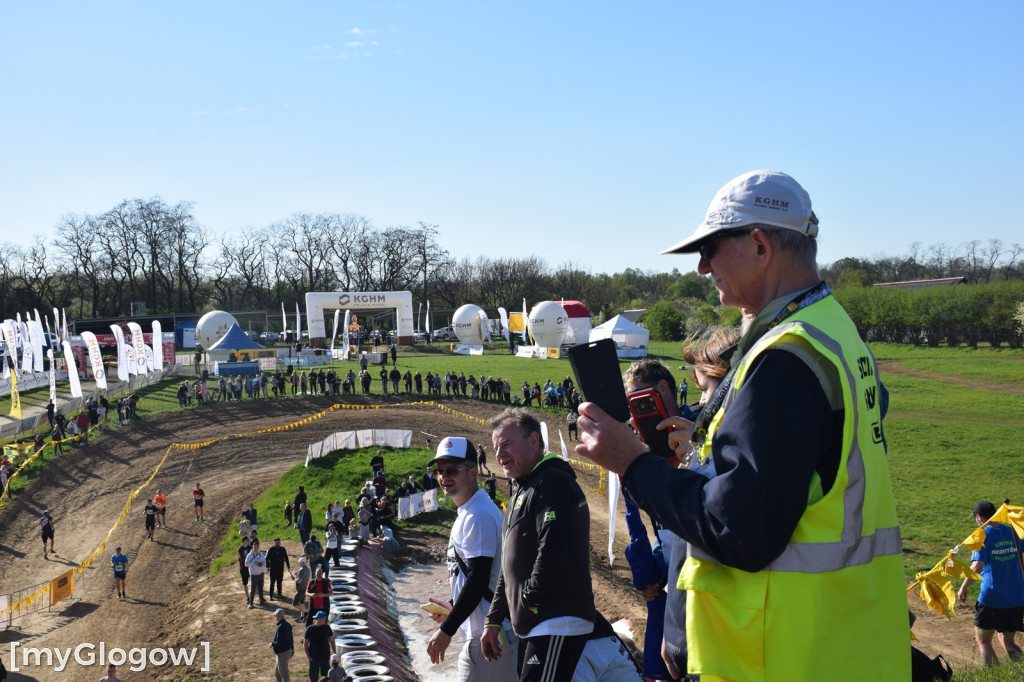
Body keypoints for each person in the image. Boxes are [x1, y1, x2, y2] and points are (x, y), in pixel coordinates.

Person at [576, 170, 910, 680]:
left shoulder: (787, 359)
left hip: (779, 656)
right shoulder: (833, 331)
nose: (703, 266)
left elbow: (738, 529)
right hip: (840, 643)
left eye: (710, 248)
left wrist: (631, 462)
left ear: (759, 245)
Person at [482, 408, 639, 681]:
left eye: (506, 444)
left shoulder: (551, 481)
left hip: (553, 622)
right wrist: (494, 619)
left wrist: (531, 598)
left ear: (533, 441)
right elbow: (510, 566)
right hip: (546, 625)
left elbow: (553, 548)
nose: (499, 454)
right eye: (496, 448)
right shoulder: (523, 488)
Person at [425, 436, 518, 681]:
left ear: (473, 472)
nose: (444, 476)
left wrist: (447, 630)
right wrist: (453, 608)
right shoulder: (470, 511)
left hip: (488, 635)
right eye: (440, 470)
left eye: (452, 470)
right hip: (486, 632)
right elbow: (471, 576)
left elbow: (478, 579)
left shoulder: (478, 514)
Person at [957, 500, 1024, 666]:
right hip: (1017, 597)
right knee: (1008, 640)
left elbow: (977, 566)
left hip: (993, 598)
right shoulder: (1012, 531)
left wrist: (964, 586)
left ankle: (994, 677)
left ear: (979, 517)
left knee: (984, 640)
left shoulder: (981, 535)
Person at [303, 610, 336, 682]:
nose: (325, 620)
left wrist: (334, 653)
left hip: (325, 657)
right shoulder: (310, 629)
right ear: (318, 619)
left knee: (326, 677)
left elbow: (332, 641)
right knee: (313, 677)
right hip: (313, 657)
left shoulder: (327, 628)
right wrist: (309, 657)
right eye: (324, 618)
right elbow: (305, 644)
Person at [270, 608, 294, 682]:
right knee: (277, 672)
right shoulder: (288, 625)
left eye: (275, 616)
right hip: (285, 651)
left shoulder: (281, 627)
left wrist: (272, 644)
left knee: (284, 673)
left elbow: (279, 642)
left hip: (282, 653)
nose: (274, 617)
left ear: (278, 617)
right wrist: (292, 649)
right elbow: (291, 639)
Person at [246, 539, 268, 608]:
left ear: (258, 547)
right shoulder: (249, 555)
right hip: (253, 575)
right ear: (252, 547)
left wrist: (261, 564)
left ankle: (261, 600)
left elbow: (264, 562)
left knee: (261, 588)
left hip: (261, 574)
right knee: (253, 589)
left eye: (257, 546)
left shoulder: (261, 554)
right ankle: (251, 602)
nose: (255, 547)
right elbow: (246, 564)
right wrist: (254, 563)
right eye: (254, 546)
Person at [293, 557, 311, 622]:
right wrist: (297, 575)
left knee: (294, 603)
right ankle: (302, 617)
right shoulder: (307, 569)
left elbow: (299, 581)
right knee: (302, 603)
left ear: (300, 563)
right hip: (305, 588)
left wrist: (294, 579)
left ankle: (306, 613)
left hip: (301, 589)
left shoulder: (301, 570)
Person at [238, 536, 252, 604]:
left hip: (250, 568)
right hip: (243, 569)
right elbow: (243, 558)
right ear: (244, 541)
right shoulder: (240, 549)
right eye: (247, 540)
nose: (248, 541)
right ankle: (247, 597)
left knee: (254, 581)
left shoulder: (250, 547)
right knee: (245, 583)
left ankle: (259, 596)